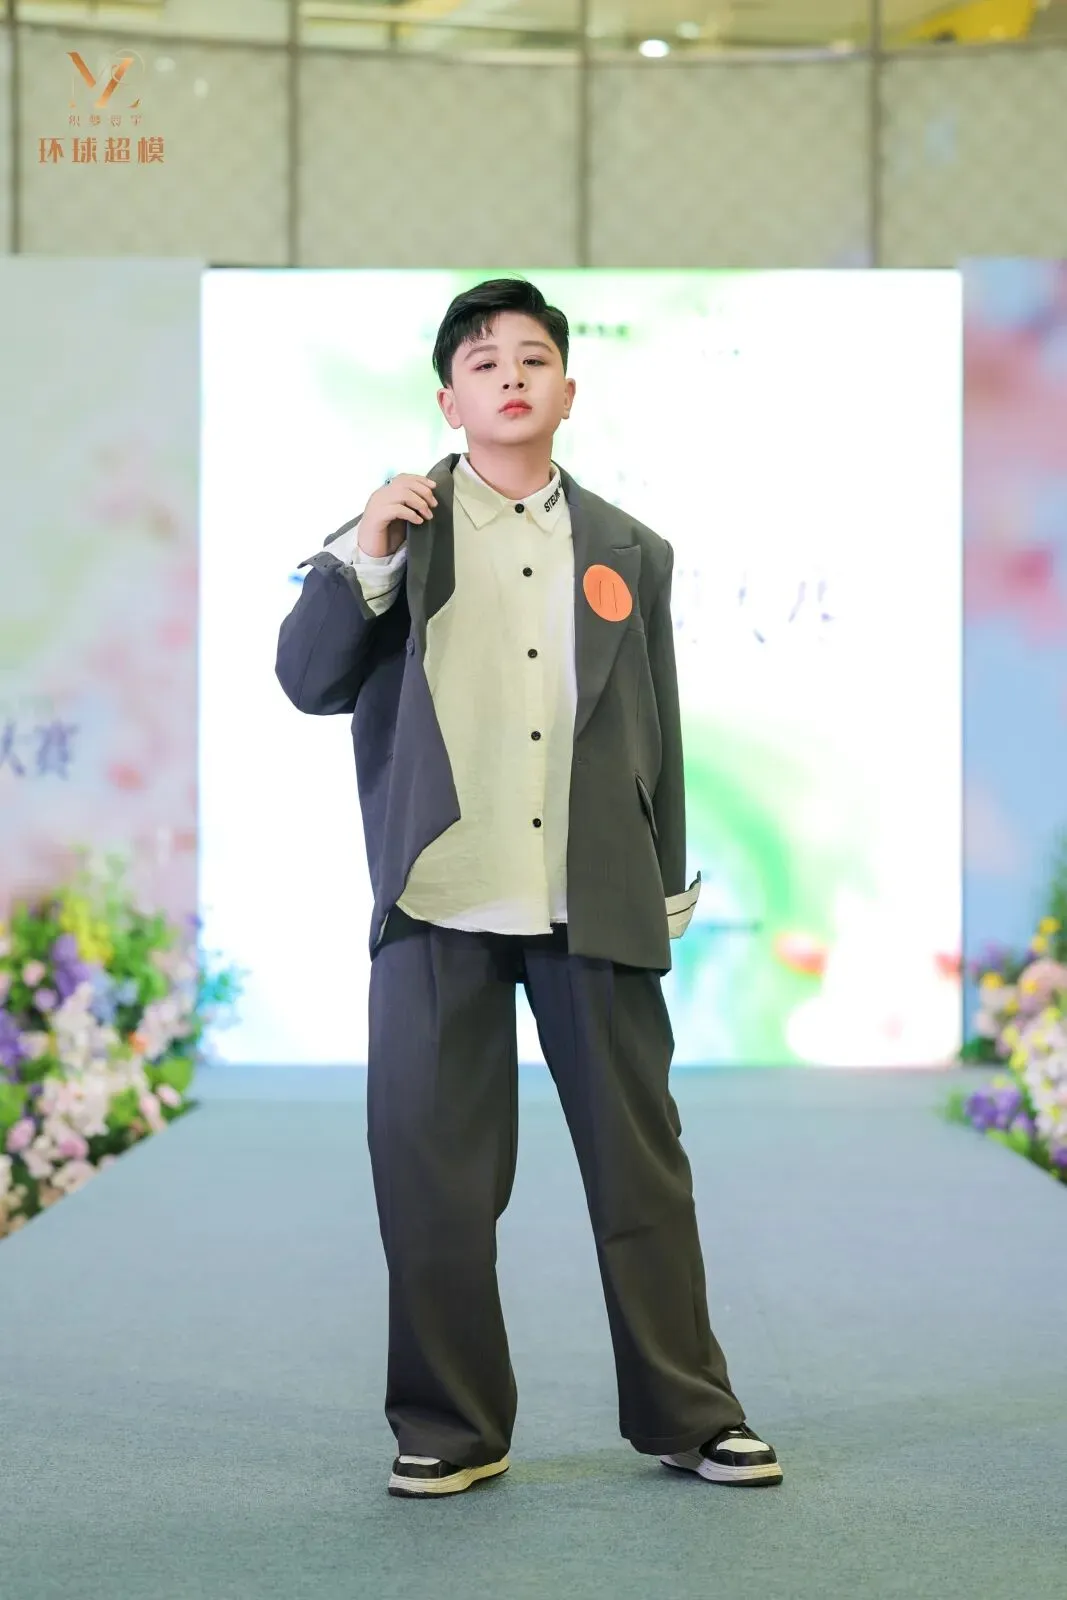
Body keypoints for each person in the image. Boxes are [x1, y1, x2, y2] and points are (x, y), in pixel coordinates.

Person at [275, 277, 783, 1499]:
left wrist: (662, 883)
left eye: (533, 357)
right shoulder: (394, 530)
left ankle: (689, 1412)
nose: (510, 374)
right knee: (431, 1177)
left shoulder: (629, 548)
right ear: (447, 400)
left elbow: (654, 731)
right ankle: (451, 1425)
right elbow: (306, 681)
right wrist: (364, 553)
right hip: (437, 894)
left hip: (588, 894)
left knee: (639, 1167)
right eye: (483, 360)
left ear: (567, 389)